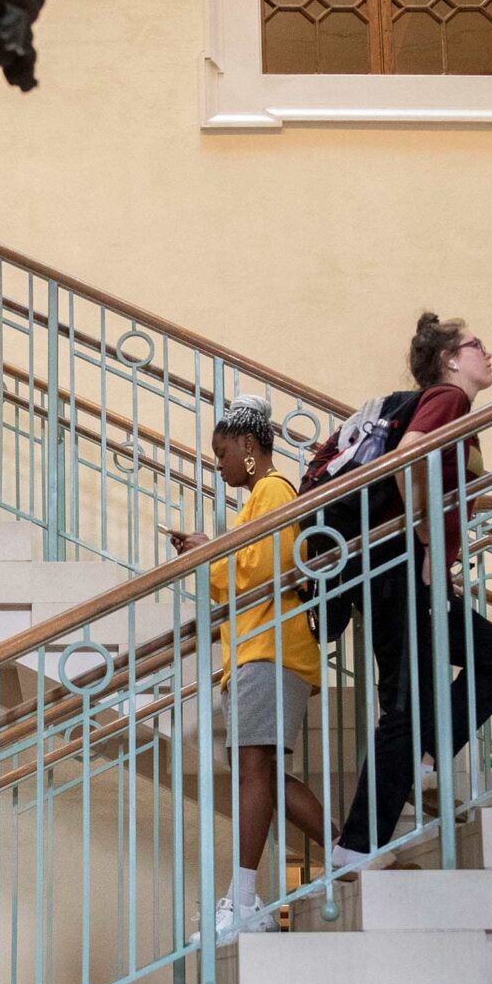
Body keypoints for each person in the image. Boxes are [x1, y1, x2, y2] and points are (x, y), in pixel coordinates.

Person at [338, 313, 492, 859]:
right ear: (451, 358)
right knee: (418, 699)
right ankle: (361, 840)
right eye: (476, 345)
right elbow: (408, 453)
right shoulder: (447, 398)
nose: (487, 352)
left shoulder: (452, 405)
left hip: (399, 564)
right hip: (398, 563)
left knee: (483, 662)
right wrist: (427, 539)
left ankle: (423, 760)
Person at [169, 397, 325, 944]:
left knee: (257, 775)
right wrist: (209, 553)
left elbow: (265, 569)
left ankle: (242, 900)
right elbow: (233, 583)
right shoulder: (251, 504)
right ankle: (351, 855)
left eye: (222, 451)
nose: (219, 463)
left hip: (269, 650)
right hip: (252, 652)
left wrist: (216, 549)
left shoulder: (273, 491)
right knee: (261, 778)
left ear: (251, 448)